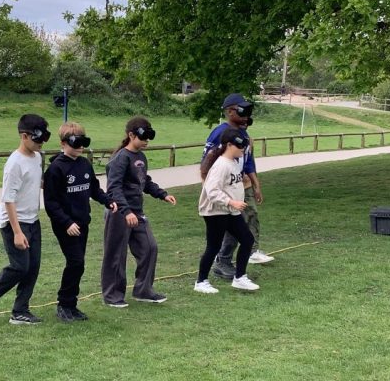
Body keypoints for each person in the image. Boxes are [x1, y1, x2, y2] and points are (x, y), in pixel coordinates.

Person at [0, 114, 50, 326]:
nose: (41, 143)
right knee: (20, 266)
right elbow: (8, 199)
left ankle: (20, 311)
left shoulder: (37, 157)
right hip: (14, 222)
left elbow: (34, 182)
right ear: (24, 136)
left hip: (33, 220)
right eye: (37, 139)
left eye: (44, 138)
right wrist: (17, 232)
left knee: (33, 267)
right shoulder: (14, 164)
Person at [43, 122, 118, 322]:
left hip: (83, 222)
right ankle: (63, 304)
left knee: (78, 264)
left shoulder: (84, 164)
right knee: (76, 262)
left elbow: (94, 188)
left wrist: (107, 200)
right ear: (63, 143)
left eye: (83, 142)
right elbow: (51, 203)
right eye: (75, 142)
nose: (80, 146)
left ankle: (71, 305)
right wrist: (66, 223)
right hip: (66, 226)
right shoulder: (55, 169)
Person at [100, 116, 177, 307]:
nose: (146, 141)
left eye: (149, 137)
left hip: (137, 212)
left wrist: (162, 194)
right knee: (116, 255)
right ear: (131, 135)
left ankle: (143, 290)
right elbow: (113, 188)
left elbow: (144, 181)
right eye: (143, 137)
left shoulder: (140, 157)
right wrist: (126, 211)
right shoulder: (120, 158)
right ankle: (112, 296)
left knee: (149, 247)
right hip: (119, 213)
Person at [201, 92, 273, 281]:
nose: (246, 115)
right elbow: (206, 163)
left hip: (239, 186)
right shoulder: (220, 133)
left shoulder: (243, 134)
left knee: (246, 221)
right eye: (241, 110)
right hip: (225, 190)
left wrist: (256, 185)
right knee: (230, 227)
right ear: (230, 111)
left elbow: (248, 162)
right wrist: (209, 189)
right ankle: (221, 262)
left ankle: (241, 256)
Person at [195, 128, 259, 293]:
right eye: (239, 146)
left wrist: (236, 201)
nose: (243, 149)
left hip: (230, 210)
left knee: (247, 240)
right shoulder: (221, 165)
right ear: (229, 145)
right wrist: (231, 202)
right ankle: (201, 282)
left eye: (244, 146)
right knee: (214, 246)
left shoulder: (234, 163)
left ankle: (240, 278)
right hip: (215, 211)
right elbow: (211, 191)